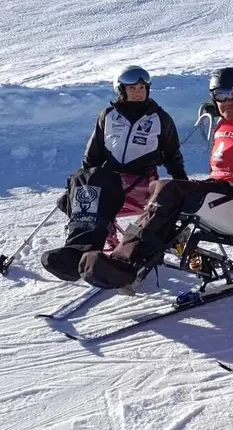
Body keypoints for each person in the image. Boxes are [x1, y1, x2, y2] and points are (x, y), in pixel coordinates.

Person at [80, 67, 233, 289]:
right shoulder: (224, 124)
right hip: (223, 194)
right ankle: (128, 259)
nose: (226, 101)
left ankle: (124, 263)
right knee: (157, 188)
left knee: (169, 190)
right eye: (219, 95)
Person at [40, 65, 187, 282]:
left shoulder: (159, 119)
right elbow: (92, 157)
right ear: (121, 89)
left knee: (97, 194)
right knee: (87, 183)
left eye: (142, 87)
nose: (138, 91)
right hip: (111, 181)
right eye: (132, 87)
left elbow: (173, 156)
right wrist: (76, 190)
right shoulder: (108, 116)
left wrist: (183, 187)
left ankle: (112, 260)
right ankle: (76, 254)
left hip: (142, 183)